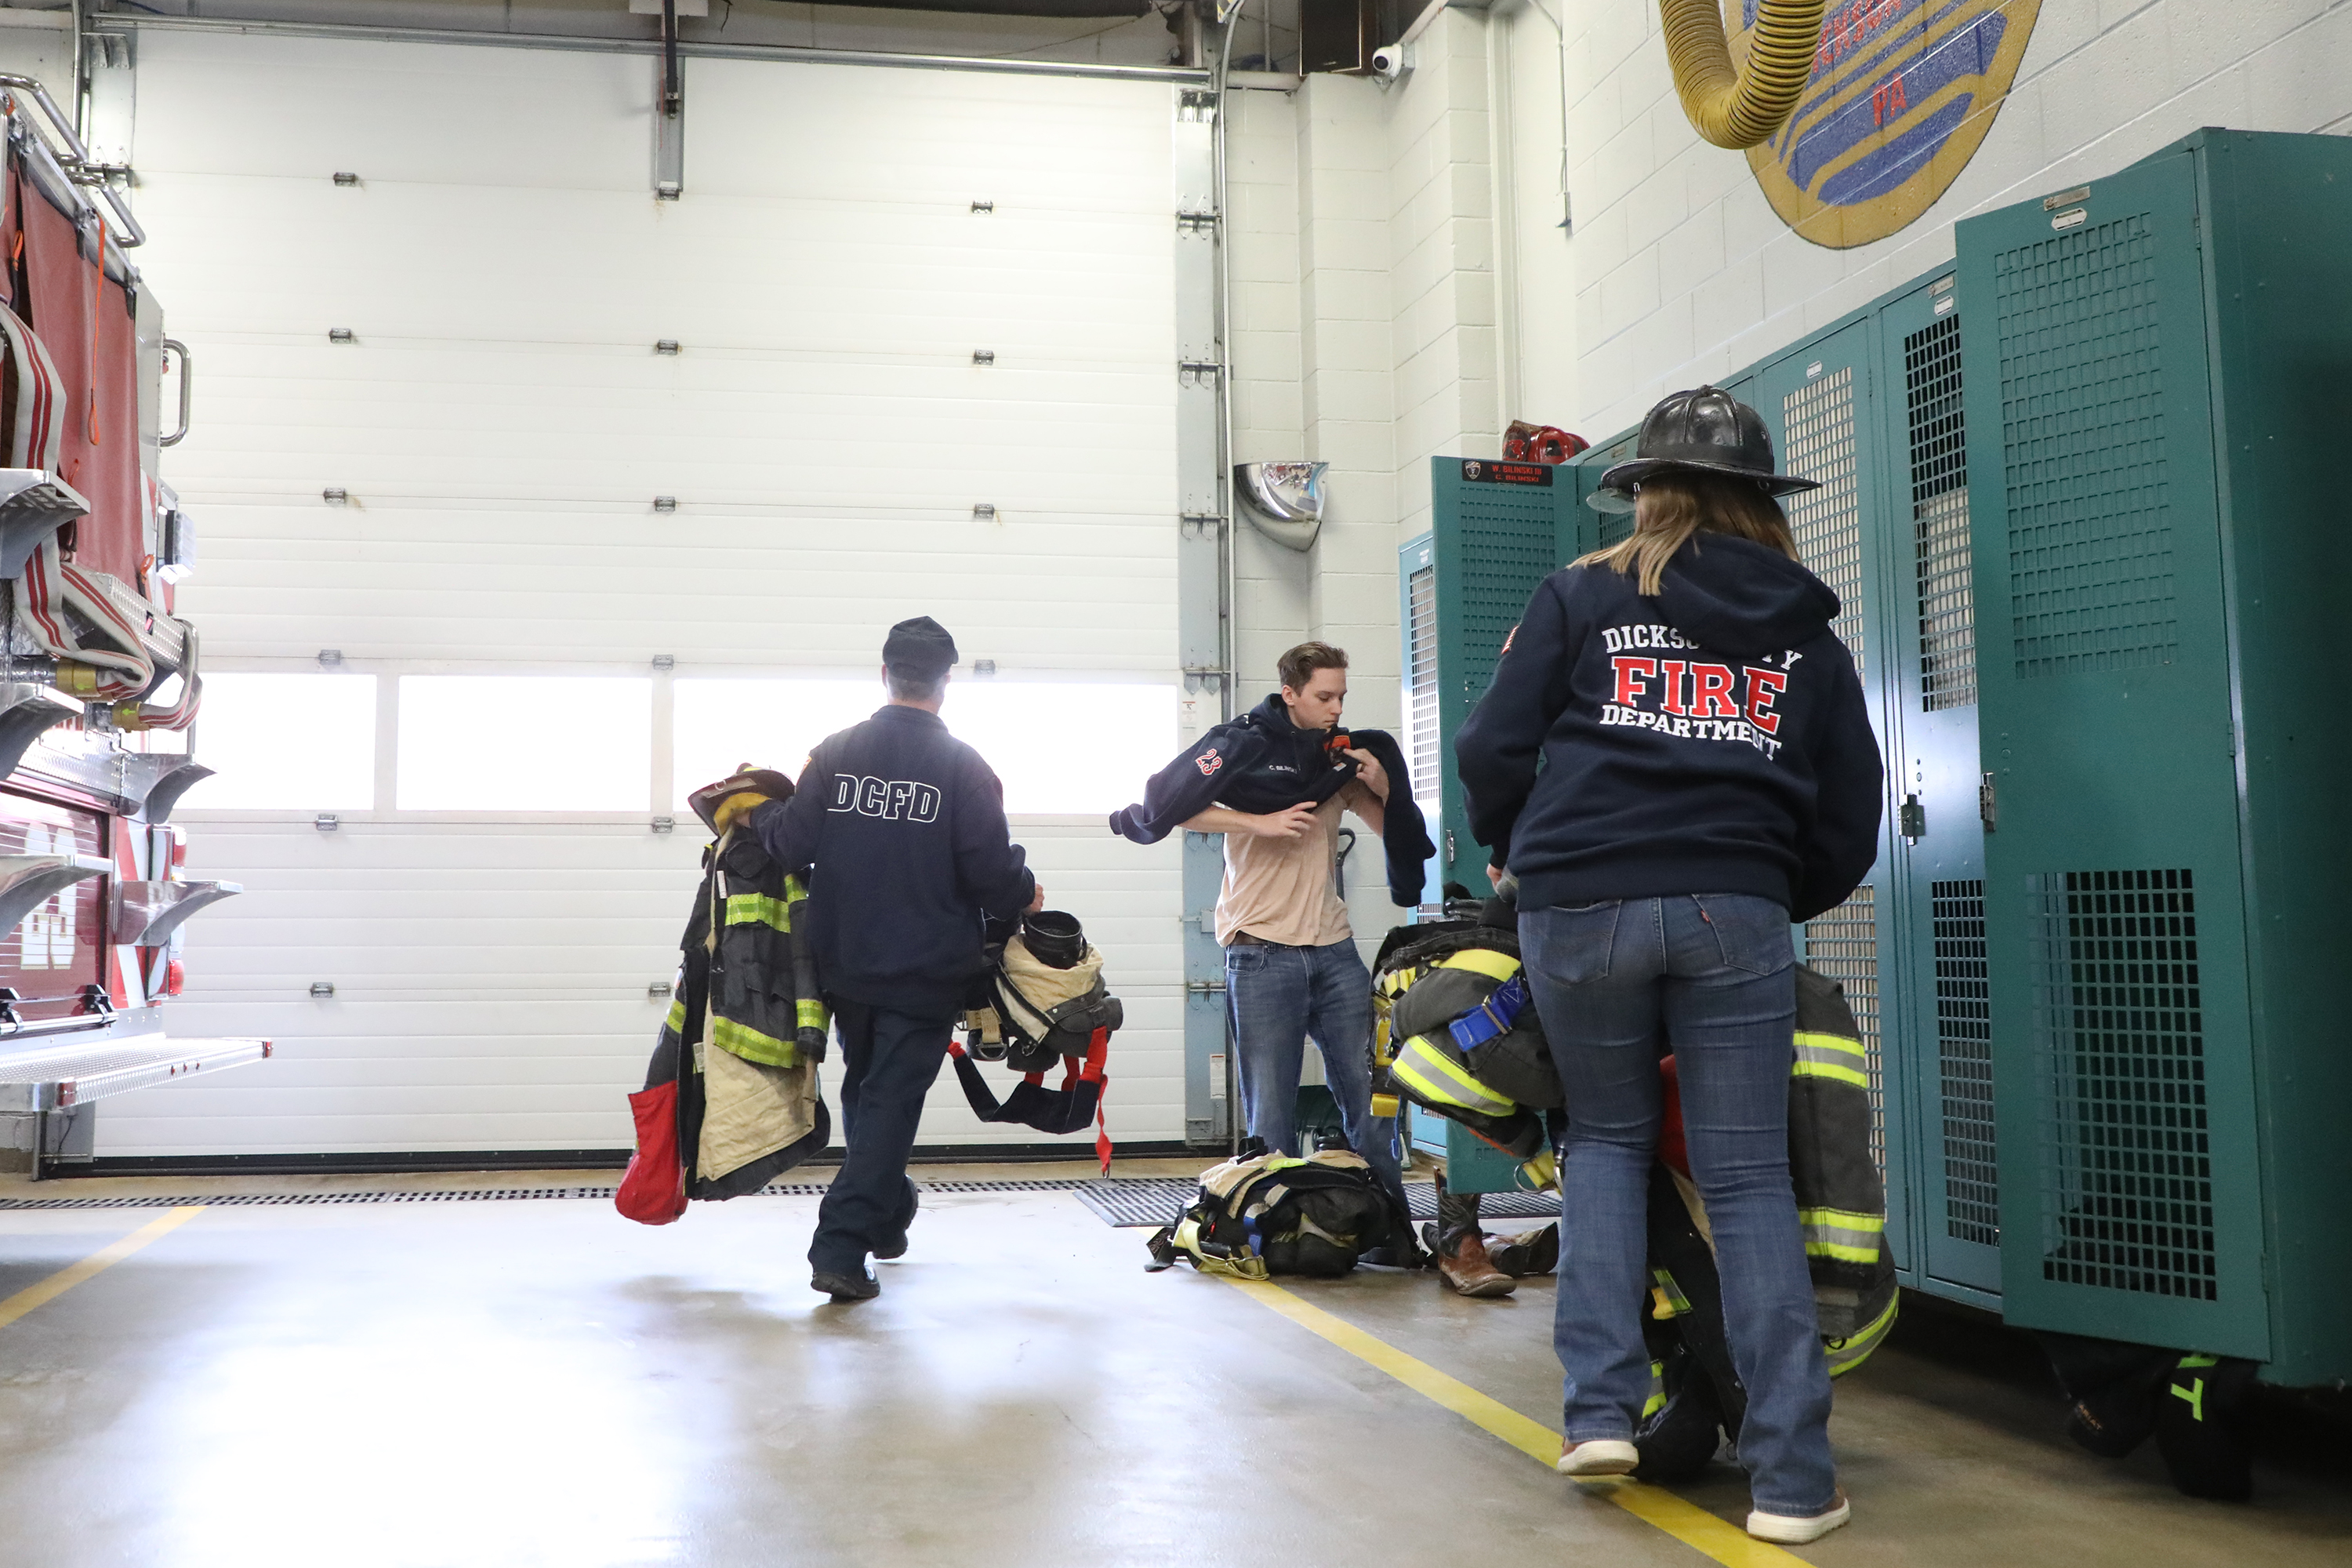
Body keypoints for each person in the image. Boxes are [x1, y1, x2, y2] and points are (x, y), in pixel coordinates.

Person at [1454, 387, 1882, 1545]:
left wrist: (1514, 851)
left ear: (1645, 491)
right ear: (1761, 500)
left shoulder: (1585, 596)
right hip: (1730, 906)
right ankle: (1793, 1481)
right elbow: (1851, 808)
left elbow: (1492, 743)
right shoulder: (1806, 631)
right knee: (1746, 1180)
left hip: (1576, 900)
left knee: (1604, 1144)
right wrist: (1767, 893)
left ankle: (1599, 1412)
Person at [714, 615, 1044, 1302]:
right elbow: (990, 875)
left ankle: (888, 1216)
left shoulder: (834, 753)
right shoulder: (965, 767)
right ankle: (838, 1246)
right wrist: (1025, 891)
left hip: (844, 964)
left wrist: (752, 814)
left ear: (885, 674)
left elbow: (792, 842)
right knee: (888, 1099)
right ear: (946, 683)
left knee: (869, 1090)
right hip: (925, 969)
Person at [1112, 641, 1421, 1242]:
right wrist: (1260, 822)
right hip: (1260, 954)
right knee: (1271, 1121)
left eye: (1342, 697)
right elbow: (1179, 809)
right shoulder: (1246, 754)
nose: (1335, 708)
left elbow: (1395, 834)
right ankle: (1274, 1240)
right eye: (1323, 697)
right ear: (1291, 695)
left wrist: (1384, 785)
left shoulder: (1335, 764)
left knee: (1373, 1105)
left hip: (1335, 953)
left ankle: (1395, 1235)